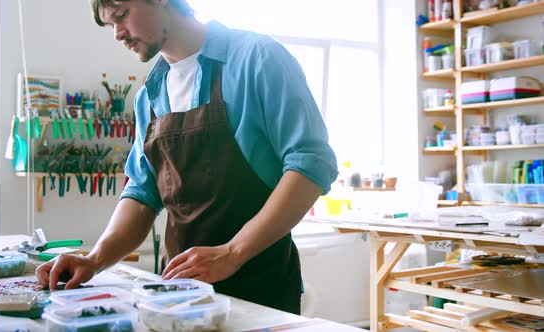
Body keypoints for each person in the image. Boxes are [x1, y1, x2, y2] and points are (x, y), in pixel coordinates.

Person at [36, 0, 337, 314]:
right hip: (178, 295)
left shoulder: (257, 58)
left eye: (122, 15)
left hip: (260, 290)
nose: (117, 35)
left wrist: (232, 253)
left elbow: (311, 162)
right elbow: (142, 193)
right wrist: (95, 259)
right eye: (110, 24)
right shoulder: (148, 96)